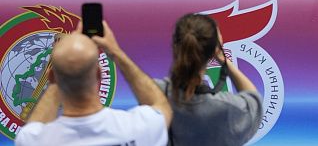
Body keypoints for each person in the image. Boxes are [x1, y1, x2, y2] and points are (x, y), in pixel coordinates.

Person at [16, 20, 171, 146]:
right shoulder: (141, 128)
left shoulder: (33, 140)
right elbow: (161, 104)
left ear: (51, 77)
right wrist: (115, 52)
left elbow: (33, 129)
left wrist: (62, 65)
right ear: (99, 73)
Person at [155, 13, 262, 146]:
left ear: (174, 46)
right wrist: (224, 60)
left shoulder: (155, 93)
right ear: (214, 50)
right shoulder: (226, 108)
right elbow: (254, 100)